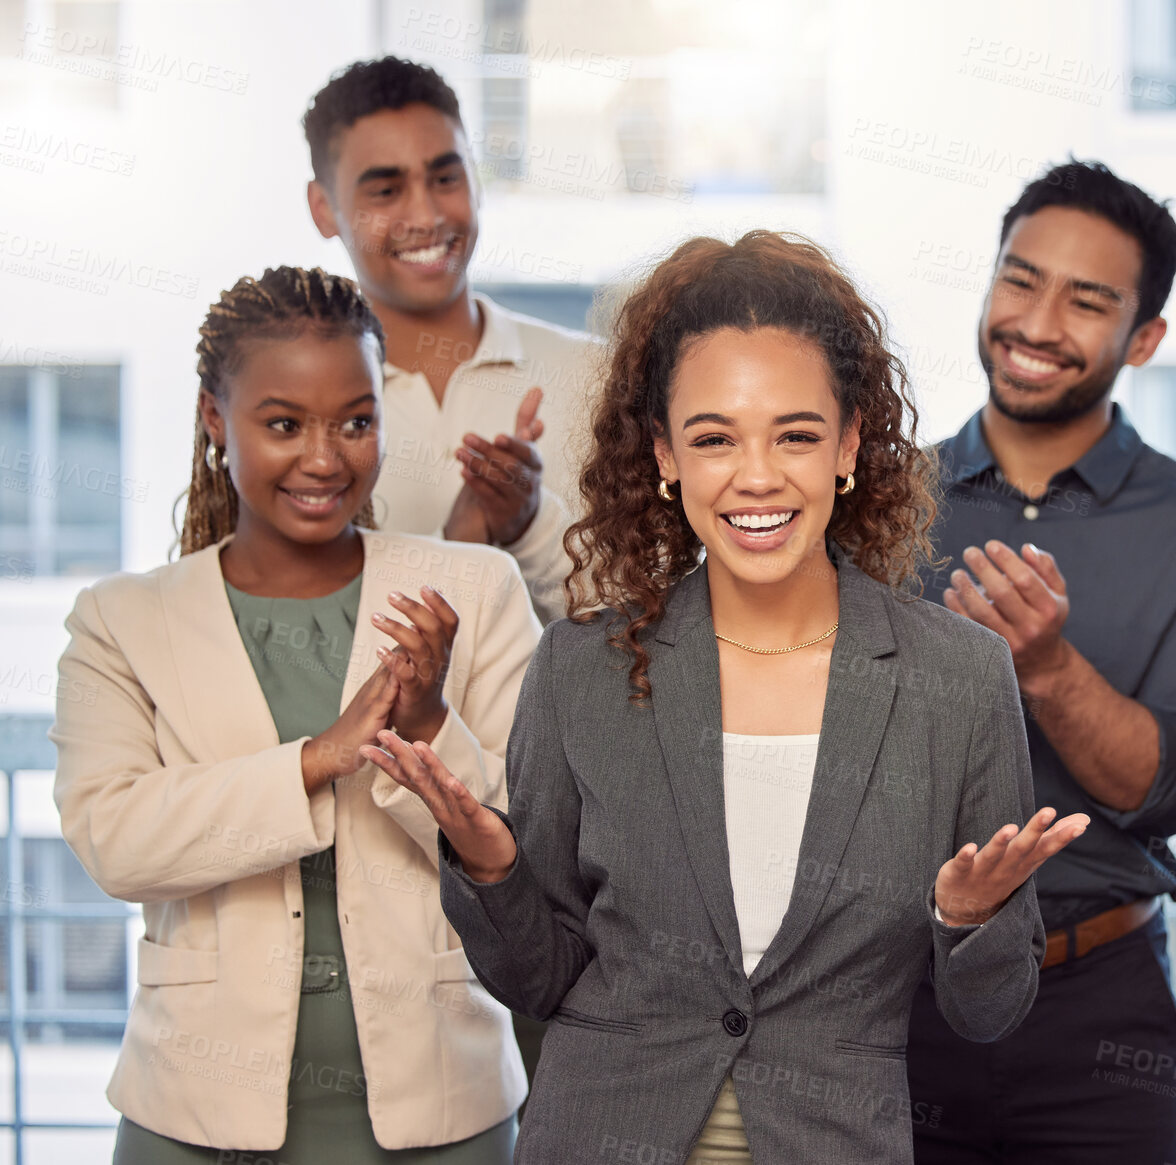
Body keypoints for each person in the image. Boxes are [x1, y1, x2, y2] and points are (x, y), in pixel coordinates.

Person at [360, 229, 1090, 1164]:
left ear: (851, 443)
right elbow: (539, 981)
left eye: (795, 434)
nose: (756, 476)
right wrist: (493, 867)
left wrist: (970, 919)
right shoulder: (579, 668)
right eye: (714, 438)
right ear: (664, 454)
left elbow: (989, 1013)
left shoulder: (959, 679)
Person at [51, 267, 539, 1161]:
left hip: (442, 1112)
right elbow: (115, 838)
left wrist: (428, 728)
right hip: (192, 1117)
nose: (326, 457)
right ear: (214, 420)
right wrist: (315, 759)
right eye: (284, 424)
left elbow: (525, 846)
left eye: (356, 421)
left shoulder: (478, 587)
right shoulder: (121, 618)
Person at [905, 159, 1176, 1164]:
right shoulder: (880, 503)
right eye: (1019, 280)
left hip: (1100, 1013)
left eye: (1086, 301)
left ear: (1143, 338)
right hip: (895, 994)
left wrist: (1049, 666)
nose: (1035, 321)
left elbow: (1174, 789)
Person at [304, 55, 604, 625]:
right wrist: (460, 550)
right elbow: (295, 646)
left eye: (446, 178)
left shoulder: (596, 375)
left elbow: (652, 628)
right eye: (386, 191)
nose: (426, 214)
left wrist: (531, 526)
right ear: (325, 209)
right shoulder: (299, 415)